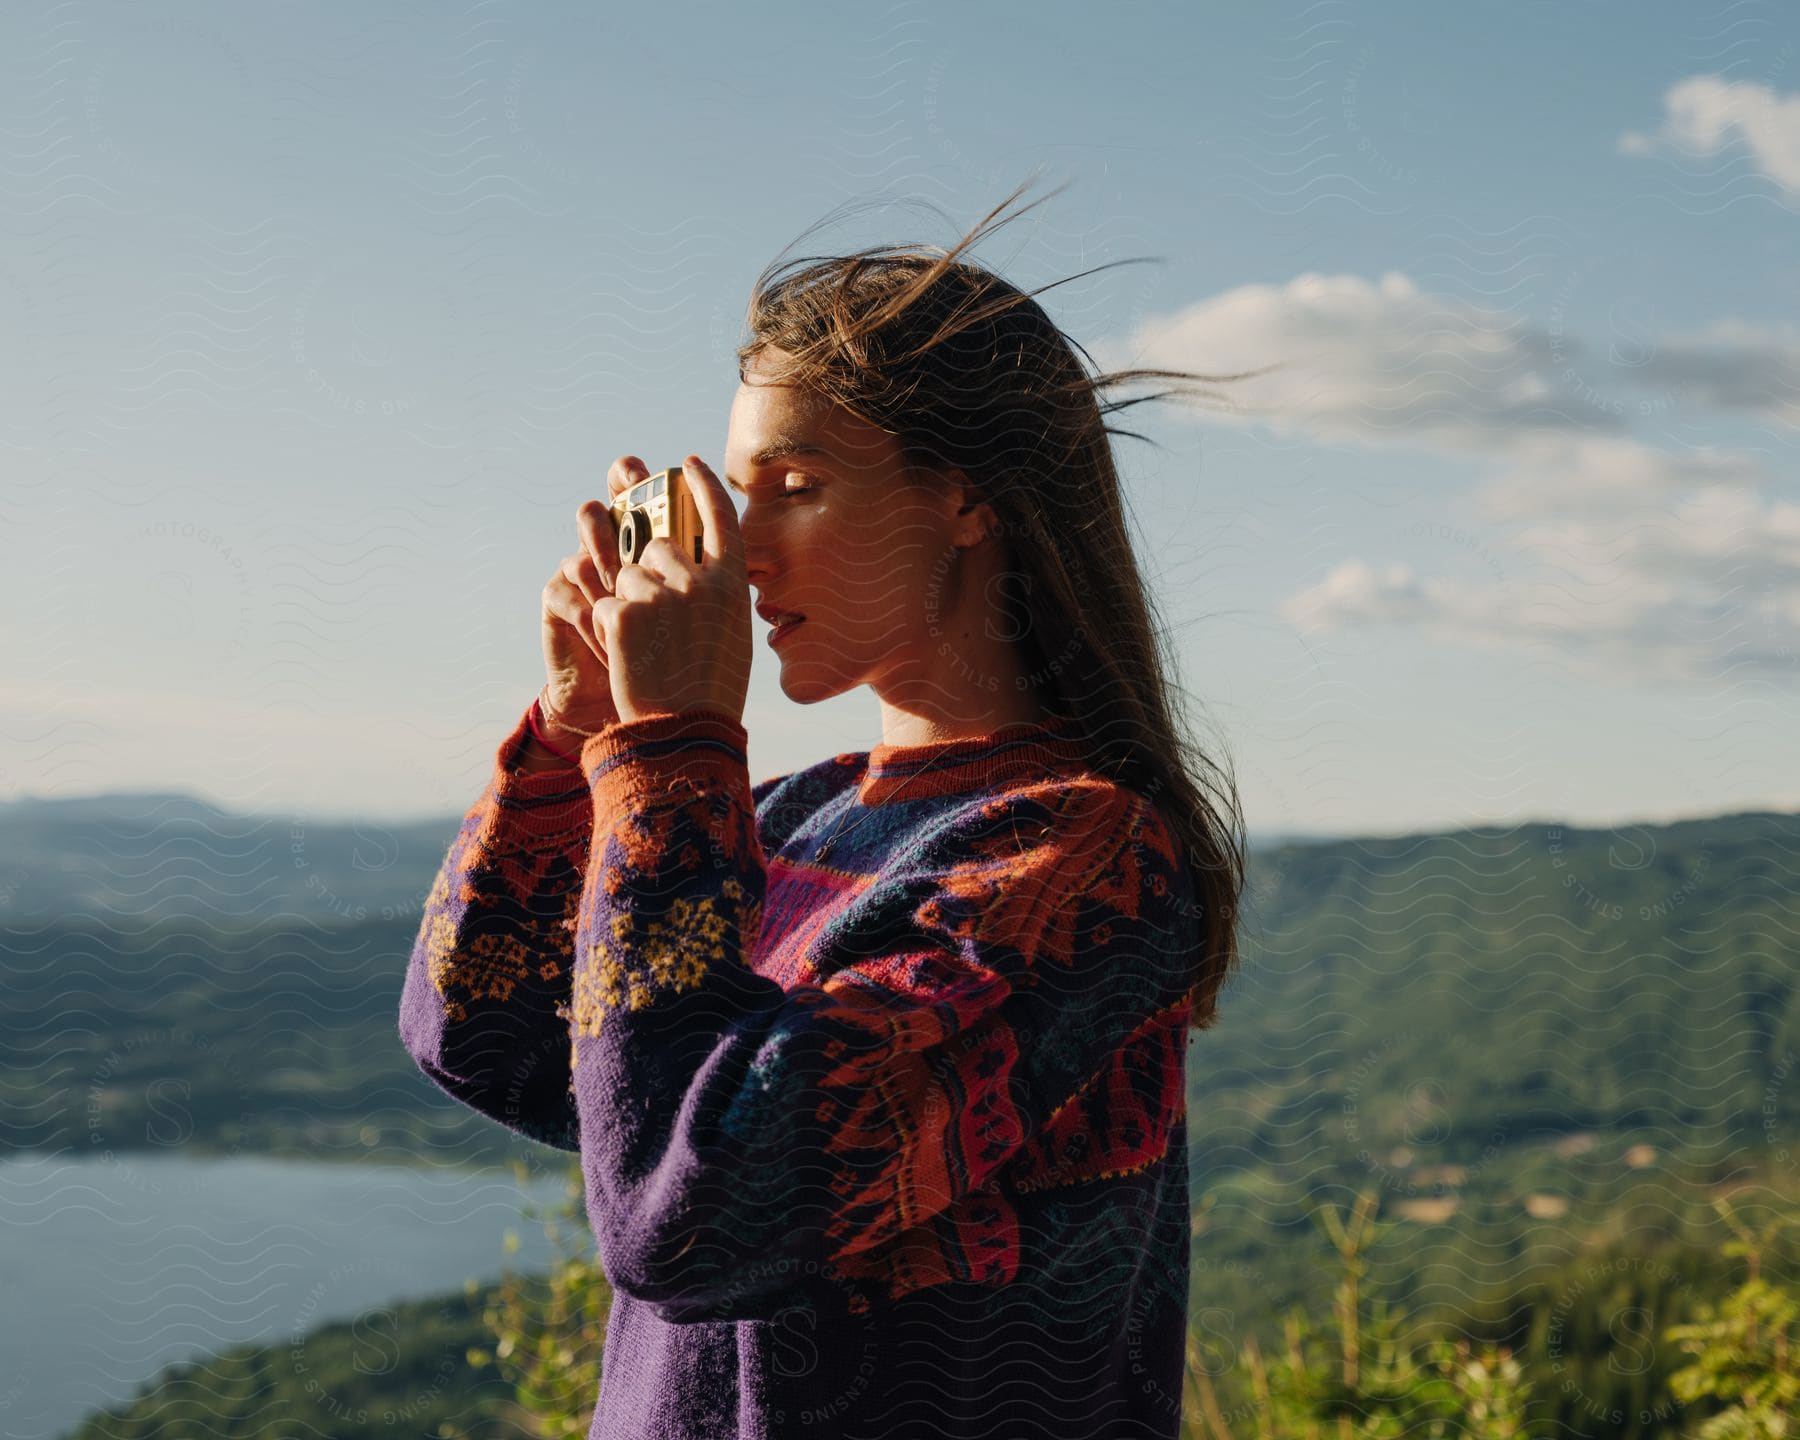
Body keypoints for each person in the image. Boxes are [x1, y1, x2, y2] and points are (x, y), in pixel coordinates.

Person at [399, 181, 1250, 1439]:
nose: (744, 550)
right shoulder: (790, 813)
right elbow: (484, 1035)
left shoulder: (1079, 859)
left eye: (793, 483)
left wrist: (677, 752)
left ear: (966, 500)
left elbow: (686, 1213)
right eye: (737, 497)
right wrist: (581, 733)